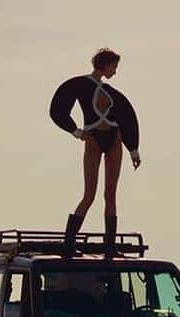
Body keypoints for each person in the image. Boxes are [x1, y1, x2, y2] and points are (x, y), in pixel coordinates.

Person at [49, 48, 141, 257]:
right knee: (88, 195)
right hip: (92, 139)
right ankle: (69, 243)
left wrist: (133, 149)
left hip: (114, 139)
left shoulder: (113, 94)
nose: (115, 72)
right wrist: (74, 130)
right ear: (105, 64)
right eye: (114, 66)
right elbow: (58, 108)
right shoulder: (80, 84)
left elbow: (127, 117)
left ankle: (110, 246)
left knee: (110, 194)